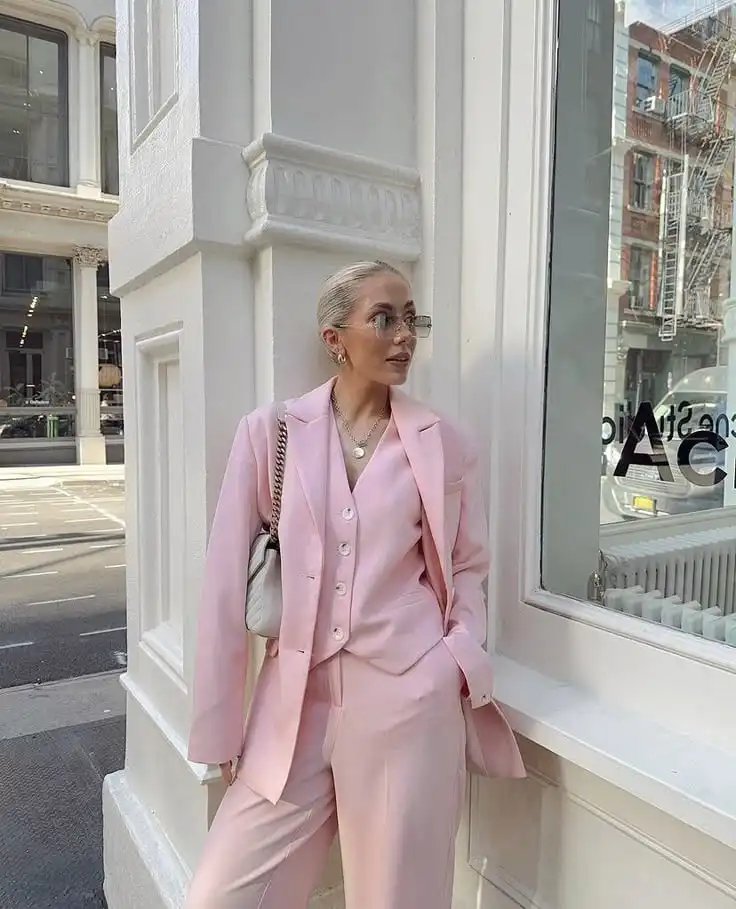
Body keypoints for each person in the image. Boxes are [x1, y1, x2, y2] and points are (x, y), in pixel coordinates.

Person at [185, 261, 525, 909]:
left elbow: (468, 565)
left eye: (411, 319)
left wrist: (452, 659)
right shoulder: (272, 434)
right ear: (334, 337)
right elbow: (225, 581)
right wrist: (220, 726)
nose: (404, 335)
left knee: (398, 897)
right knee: (220, 896)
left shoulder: (444, 443)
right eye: (384, 318)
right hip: (293, 705)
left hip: (407, 700)